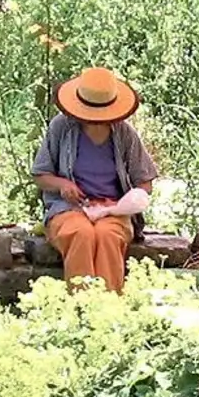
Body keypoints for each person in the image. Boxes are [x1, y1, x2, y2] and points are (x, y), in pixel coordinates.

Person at [30, 67, 158, 293]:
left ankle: (108, 310)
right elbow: (41, 175)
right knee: (81, 234)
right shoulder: (61, 127)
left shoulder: (124, 133)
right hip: (68, 209)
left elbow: (145, 182)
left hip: (113, 210)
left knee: (108, 236)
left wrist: (124, 204)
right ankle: (82, 307)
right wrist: (63, 185)